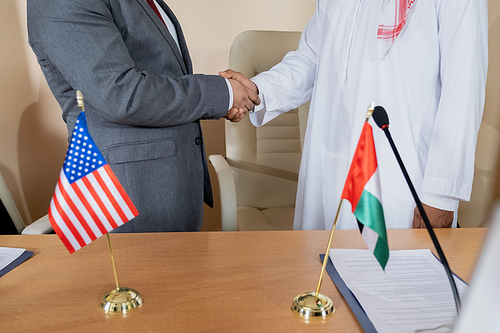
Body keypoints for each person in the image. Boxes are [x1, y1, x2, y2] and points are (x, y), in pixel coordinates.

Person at [221, 0, 488, 230]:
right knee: (318, 278)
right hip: (325, 168)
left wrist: (441, 197)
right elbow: (313, 56)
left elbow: (463, 88)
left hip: (401, 181)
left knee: (386, 281)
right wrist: (258, 90)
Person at [27, 0, 259, 232]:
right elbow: (119, 94)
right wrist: (223, 93)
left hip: (169, 188)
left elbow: (160, 72)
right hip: (125, 194)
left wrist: (226, 96)